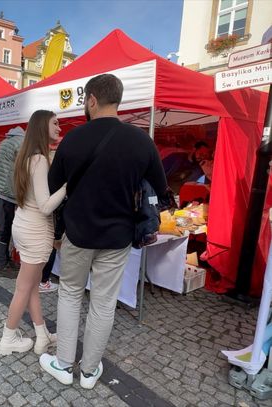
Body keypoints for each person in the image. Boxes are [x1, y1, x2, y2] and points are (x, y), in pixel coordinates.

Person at [43, 74, 168, 388]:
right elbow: (161, 191)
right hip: (118, 236)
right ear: (118, 99)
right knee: (103, 302)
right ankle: (88, 372)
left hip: (78, 234)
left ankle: (63, 364)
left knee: (70, 295)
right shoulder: (141, 140)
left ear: (92, 100)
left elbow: (52, 188)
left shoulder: (72, 139)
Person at [0, 110, 67, 356]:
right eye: (55, 123)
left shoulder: (29, 157)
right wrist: (68, 185)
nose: (60, 127)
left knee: (31, 287)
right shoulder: (38, 160)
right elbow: (46, 205)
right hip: (36, 231)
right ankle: (8, 338)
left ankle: (41, 336)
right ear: (41, 127)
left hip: (25, 226)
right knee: (24, 288)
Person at [0, 126, 26, 278]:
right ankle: (1, 264)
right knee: (4, 228)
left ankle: (6, 260)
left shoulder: (5, 142)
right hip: (5, 190)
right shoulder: (21, 142)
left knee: (6, 227)